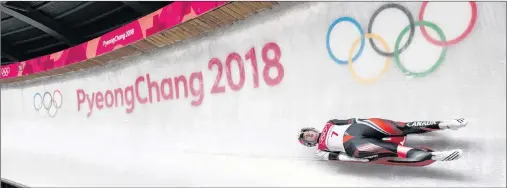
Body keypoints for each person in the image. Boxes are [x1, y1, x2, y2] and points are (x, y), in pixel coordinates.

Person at [298, 117, 468, 163]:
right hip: (353, 145)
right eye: (307, 138)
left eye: (308, 132)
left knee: (401, 126)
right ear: (309, 143)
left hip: (359, 128)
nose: (309, 135)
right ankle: (435, 156)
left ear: (312, 129)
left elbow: (352, 120)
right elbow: (337, 157)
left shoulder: (330, 122)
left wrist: (367, 121)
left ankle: (445, 124)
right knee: (391, 148)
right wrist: (358, 159)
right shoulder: (320, 151)